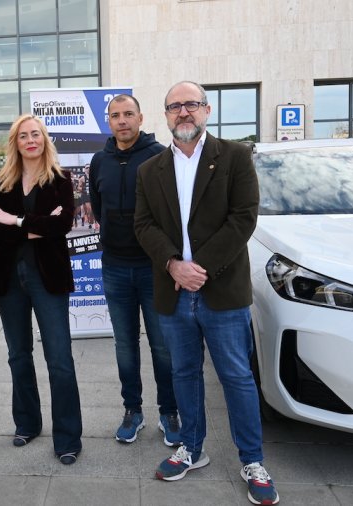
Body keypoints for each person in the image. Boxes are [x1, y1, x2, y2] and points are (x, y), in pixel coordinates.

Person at [134, 81, 279, 505]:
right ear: (165, 115)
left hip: (221, 290)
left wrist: (200, 269)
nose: (184, 112)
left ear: (207, 110)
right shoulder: (150, 170)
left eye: (191, 104)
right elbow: (144, 226)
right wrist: (173, 264)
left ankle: (252, 460)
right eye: (175, 106)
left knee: (236, 377)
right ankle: (191, 449)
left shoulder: (234, 157)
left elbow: (243, 217)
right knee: (183, 374)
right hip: (173, 291)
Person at [0, 114, 83, 465]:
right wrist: (35, 226)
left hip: (49, 277)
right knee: (18, 355)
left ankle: (68, 438)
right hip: (10, 278)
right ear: (16, 142)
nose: (30, 140)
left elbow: (64, 223)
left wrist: (18, 221)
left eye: (36, 134)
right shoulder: (2, 180)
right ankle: (27, 423)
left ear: (44, 139)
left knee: (59, 359)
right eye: (24, 135)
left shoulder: (60, 179)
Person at [89, 94, 180, 446]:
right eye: (116, 115)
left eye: (129, 114)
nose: (122, 120)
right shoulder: (99, 161)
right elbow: (99, 209)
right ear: (108, 121)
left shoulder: (160, 156)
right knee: (125, 345)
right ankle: (133, 411)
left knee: (162, 347)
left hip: (154, 269)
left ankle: (169, 412)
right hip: (114, 267)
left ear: (141, 118)